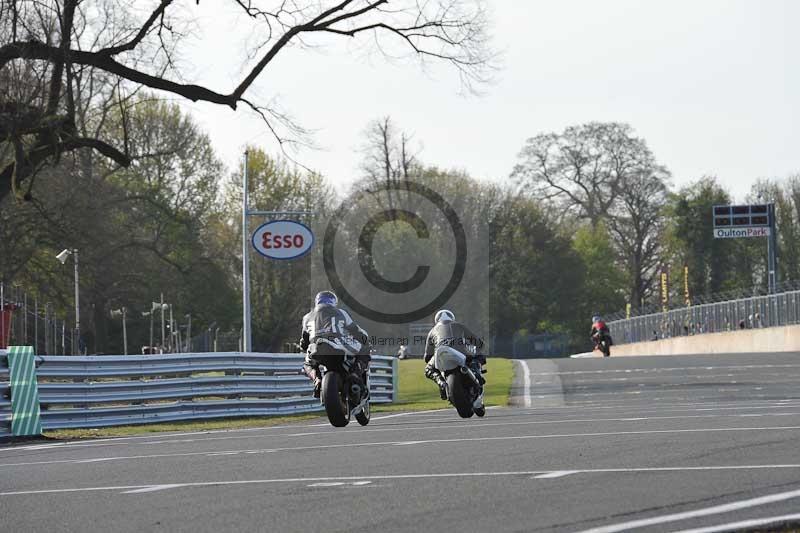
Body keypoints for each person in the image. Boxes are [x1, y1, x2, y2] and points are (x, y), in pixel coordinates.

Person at [300, 291, 371, 399]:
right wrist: (365, 341)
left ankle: (317, 380)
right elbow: (356, 331)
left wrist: (305, 347)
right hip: (338, 343)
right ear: (333, 302)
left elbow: (304, 343)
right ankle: (355, 374)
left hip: (315, 346)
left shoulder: (306, 317)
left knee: (307, 365)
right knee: (364, 349)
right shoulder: (340, 312)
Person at [424, 309, 485, 400]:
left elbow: (427, 356)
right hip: (461, 352)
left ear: (436, 321)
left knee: (428, 369)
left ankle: (441, 383)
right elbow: (479, 343)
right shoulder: (459, 326)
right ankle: (476, 372)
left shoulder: (432, 331)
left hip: (441, 353)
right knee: (479, 357)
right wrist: (477, 351)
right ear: (452, 318)